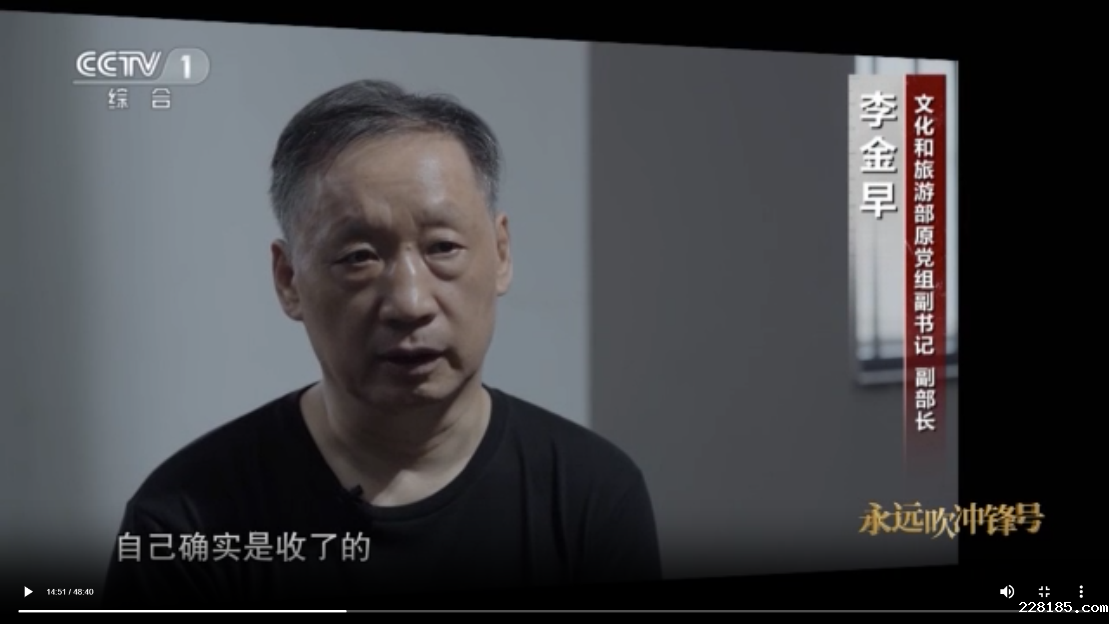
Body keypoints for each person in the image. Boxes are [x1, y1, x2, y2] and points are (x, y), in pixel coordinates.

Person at [102, 80, 661, 608]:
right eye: (359, 257)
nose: (410, 302)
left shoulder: (592, 497)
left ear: (501, 253)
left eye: (442, 247)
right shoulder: (186, 520)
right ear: (289, 280)